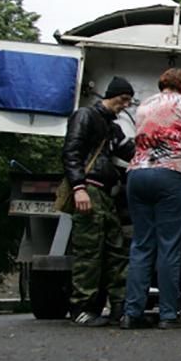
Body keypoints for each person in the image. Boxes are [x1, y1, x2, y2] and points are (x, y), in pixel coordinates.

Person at [120, 68, 181, 329]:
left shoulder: (144, 105)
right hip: (171, 175)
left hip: (137, 175)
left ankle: (132, 313)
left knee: (141, 245)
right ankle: (168, 315)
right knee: (169, 246)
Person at [63, 76, 136, 326]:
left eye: (129, 101)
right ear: (111, 95)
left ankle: (119, 306)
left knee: (115, 250)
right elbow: (71, 152)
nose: (125, 105)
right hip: (89, 190)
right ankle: (81, 309)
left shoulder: (112, 128)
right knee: (89, 251)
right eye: (123, 99)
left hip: (106, 194)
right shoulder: (85, 116)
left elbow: (132, 153)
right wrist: (78, 188)